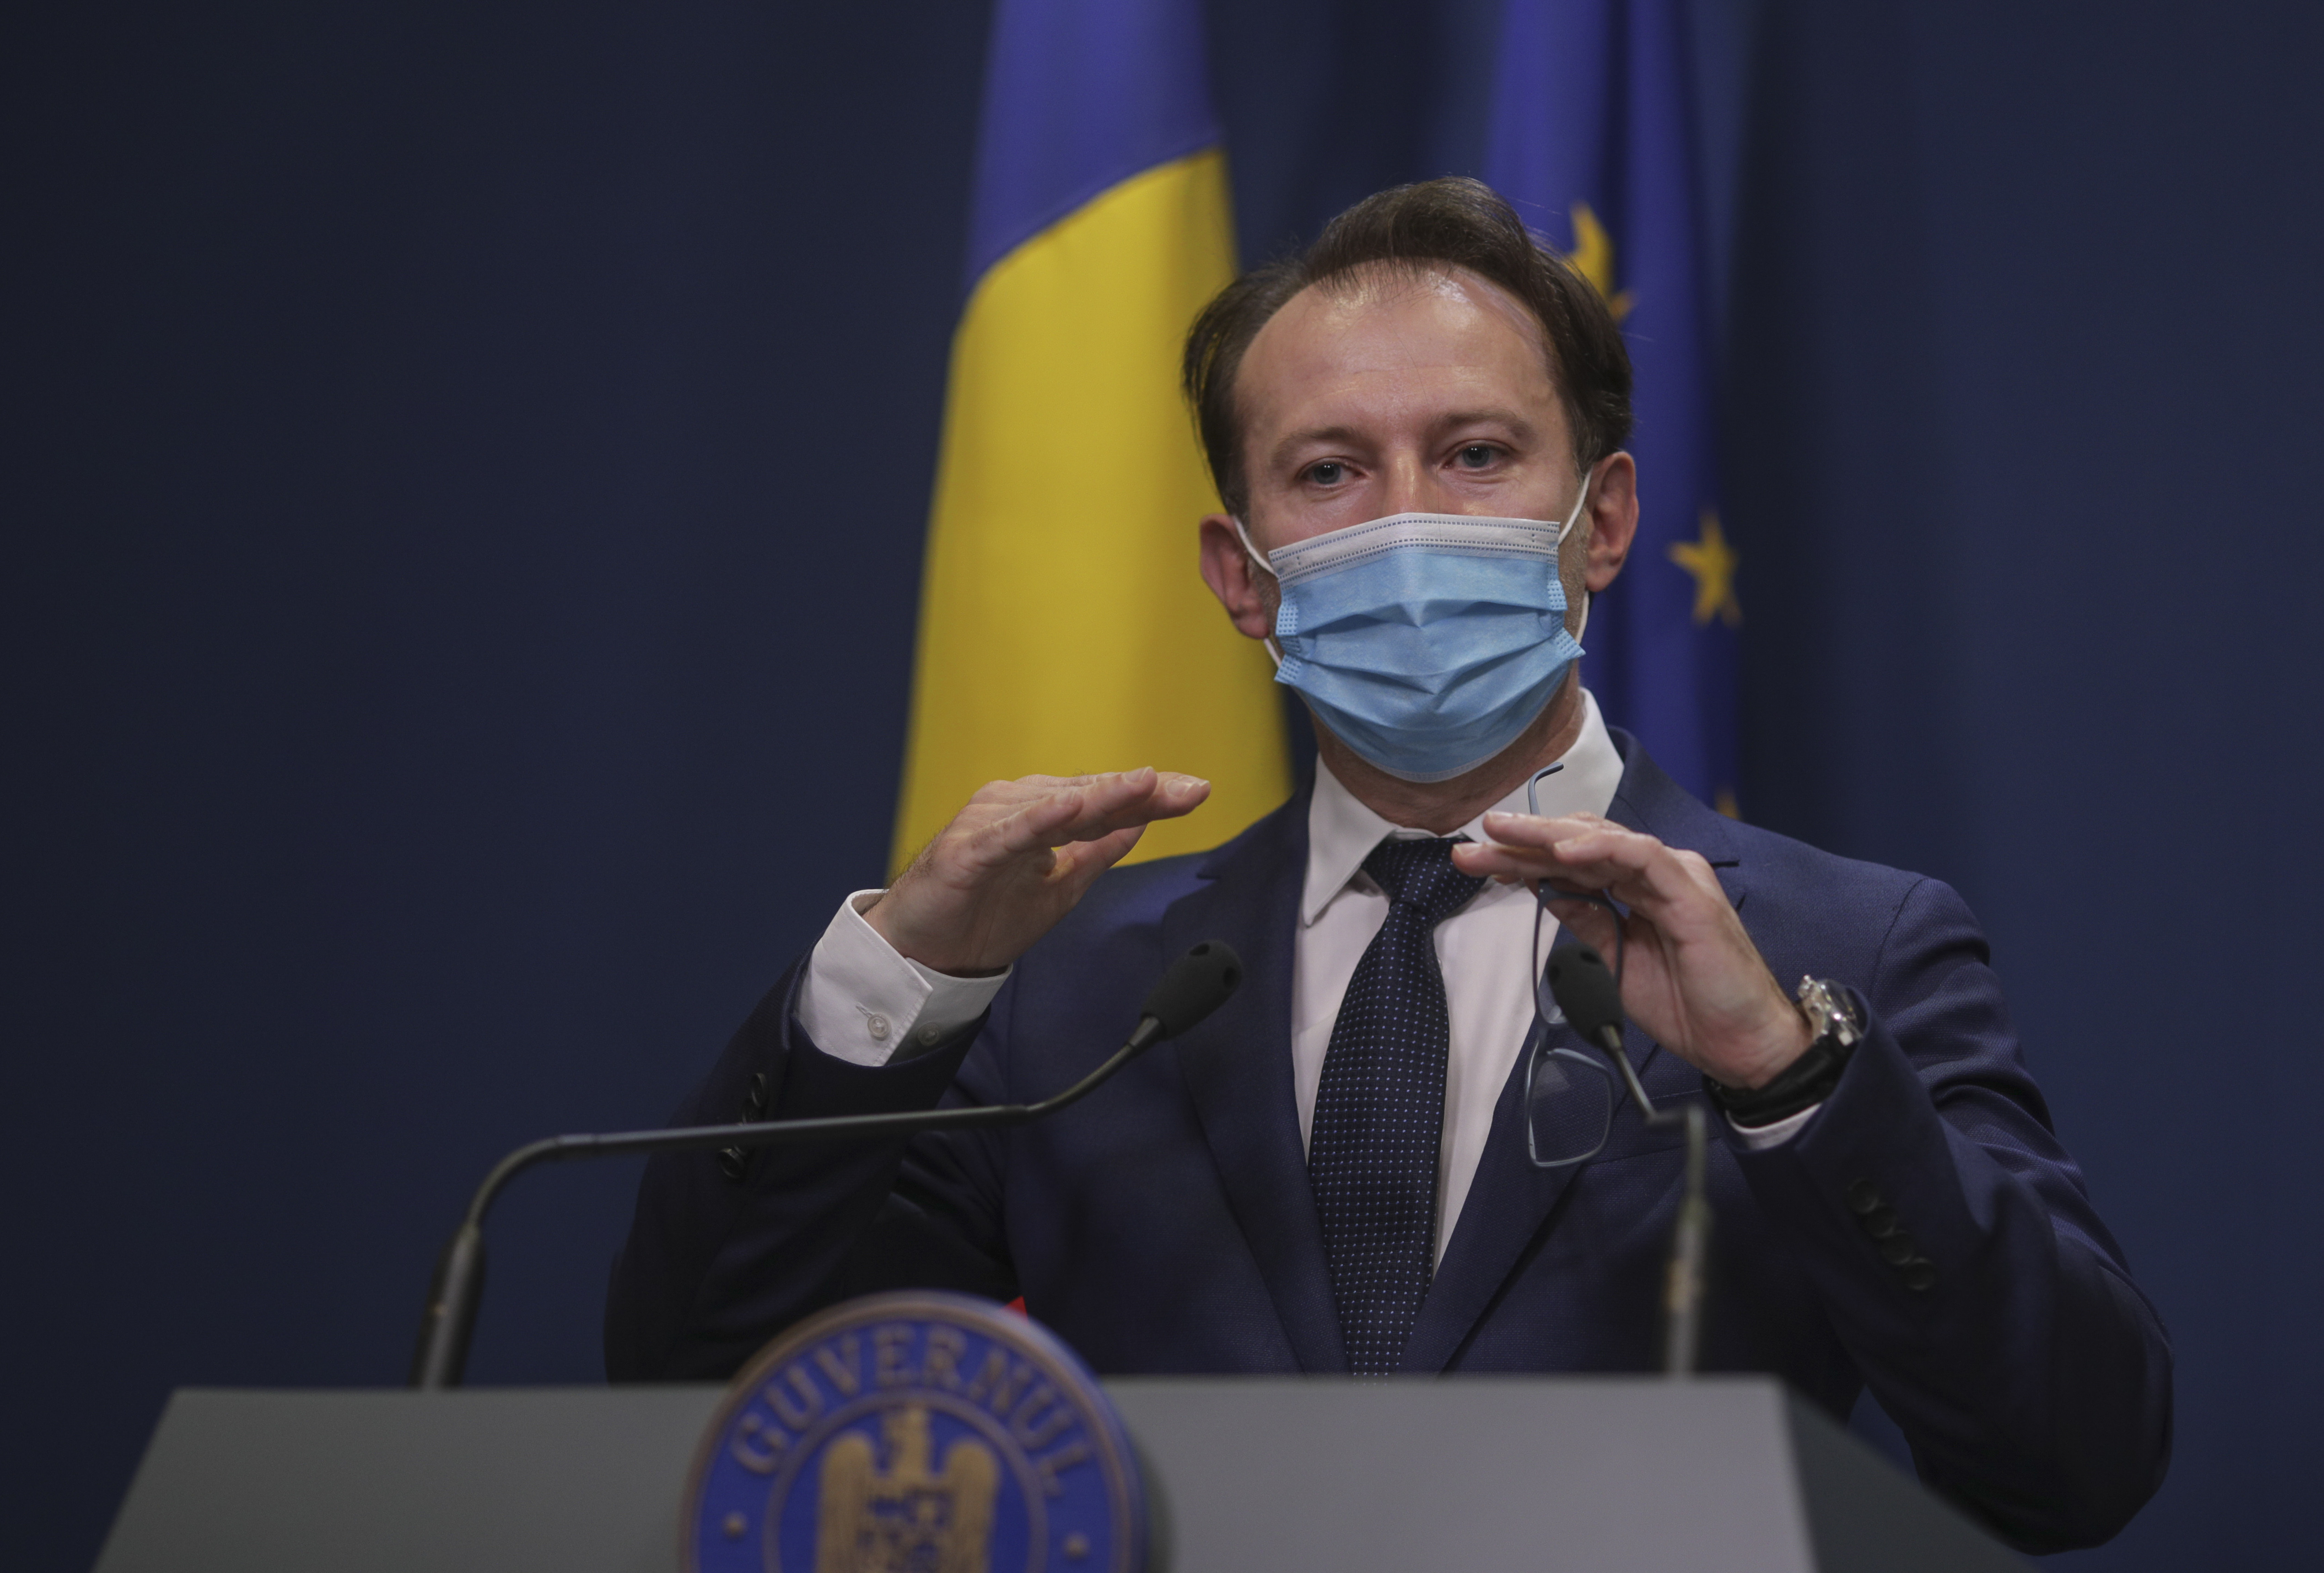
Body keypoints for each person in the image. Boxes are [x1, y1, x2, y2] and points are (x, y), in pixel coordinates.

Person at [606, 178, 2169, 1551]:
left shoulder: (1841, 949)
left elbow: (2074, 1463)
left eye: (1476, 454)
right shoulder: (1078, 988)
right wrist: (892, 985)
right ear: (1242, 577)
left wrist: (1784, 1077)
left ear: (1602, 521)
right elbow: (699, 1382)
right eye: (1330, 473)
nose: (1408, 526)